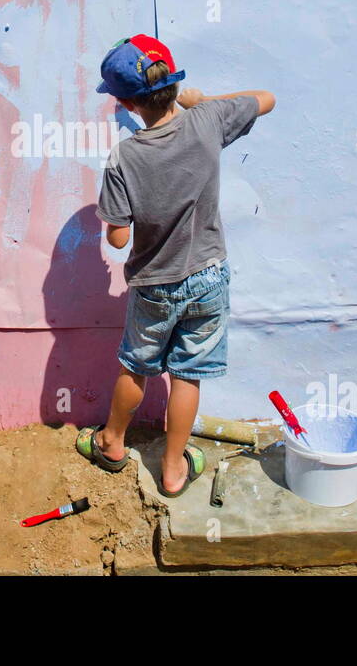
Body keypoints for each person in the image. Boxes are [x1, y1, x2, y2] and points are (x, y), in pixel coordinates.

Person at [76, 34, 274, 496]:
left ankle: (111, 443)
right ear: (173, 83)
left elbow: (119, 236)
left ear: (125, 102)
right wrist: (201, 100)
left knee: (136, 367)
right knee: (188, 374)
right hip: (208, 276)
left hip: (154, 283)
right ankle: (172, 469)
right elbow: (266, 99)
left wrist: (120, 220)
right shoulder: (207, 120)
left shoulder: (124, 156)